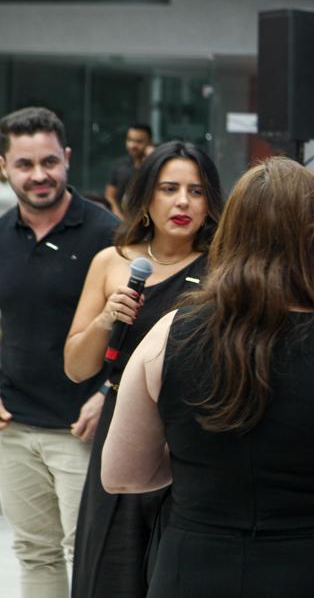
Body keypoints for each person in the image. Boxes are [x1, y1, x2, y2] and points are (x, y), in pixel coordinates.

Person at [101, 155, 314, 598]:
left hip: (191, 572)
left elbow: (122, 474)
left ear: (230, 235)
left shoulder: (166, 337)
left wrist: (201, 460)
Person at [64, 142, 224, 598]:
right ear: (146, 197)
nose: (183, 202)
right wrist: (105, 319)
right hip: (122, 426)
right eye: (169, 189)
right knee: (110, 567)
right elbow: (76, 368)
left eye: (196, 191)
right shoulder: (113, 262)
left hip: (195, 433)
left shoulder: (226, 266)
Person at [0, 106, 119, 598]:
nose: (39, 175)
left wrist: (107, 393)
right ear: (4, 167)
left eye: (49, 161)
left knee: (90, 554)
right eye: (24, 164)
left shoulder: (108, 234)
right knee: (35, 553)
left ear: (66, 158)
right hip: (13, 427)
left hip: (81, 430)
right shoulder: (1, 234)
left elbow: (143, 329)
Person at [105, 124, 153, 219]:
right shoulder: (119, 165)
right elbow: (110, 196)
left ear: (149, 142)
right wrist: (119, 218)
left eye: (139, 141)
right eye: (130, 140)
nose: (133, 145)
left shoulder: (153, 167)